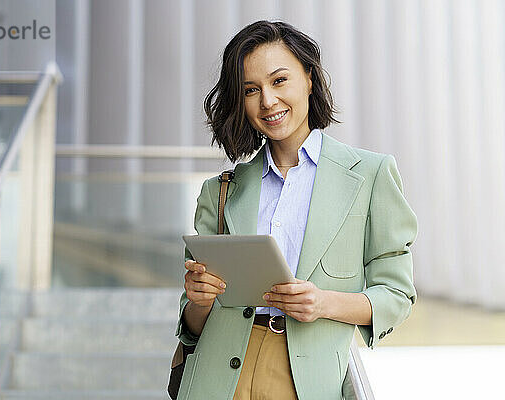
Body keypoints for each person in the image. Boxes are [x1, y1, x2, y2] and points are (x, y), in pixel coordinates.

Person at [174, 20, 417, 400]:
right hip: (216, 377)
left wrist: (323, 302)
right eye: (251, 90)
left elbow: (397, 295)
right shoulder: (220, 191)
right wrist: (200, 300)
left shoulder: (370, 175)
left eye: (279, 81)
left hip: (306, 379)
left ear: (308, 77)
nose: (267, 101)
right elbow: (191, 321)